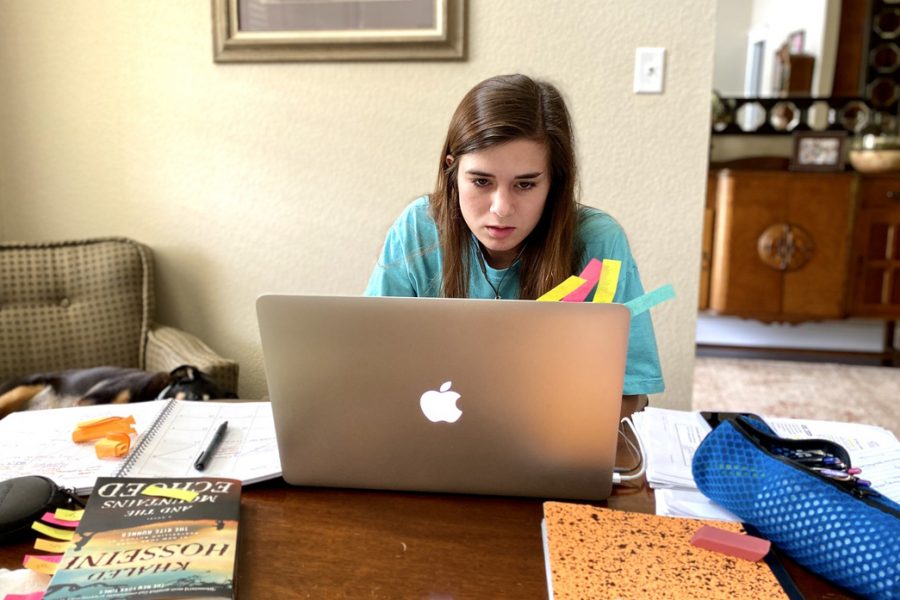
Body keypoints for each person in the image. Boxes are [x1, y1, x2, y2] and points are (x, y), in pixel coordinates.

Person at [365, 74, 663, 398]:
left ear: (554, 182)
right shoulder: (417, 229)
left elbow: (631, 392)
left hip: (554, 445)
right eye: (481, 181)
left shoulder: (599, 243)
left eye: (525, 184)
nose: (501, 208)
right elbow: (367, 364)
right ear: (452, 172)